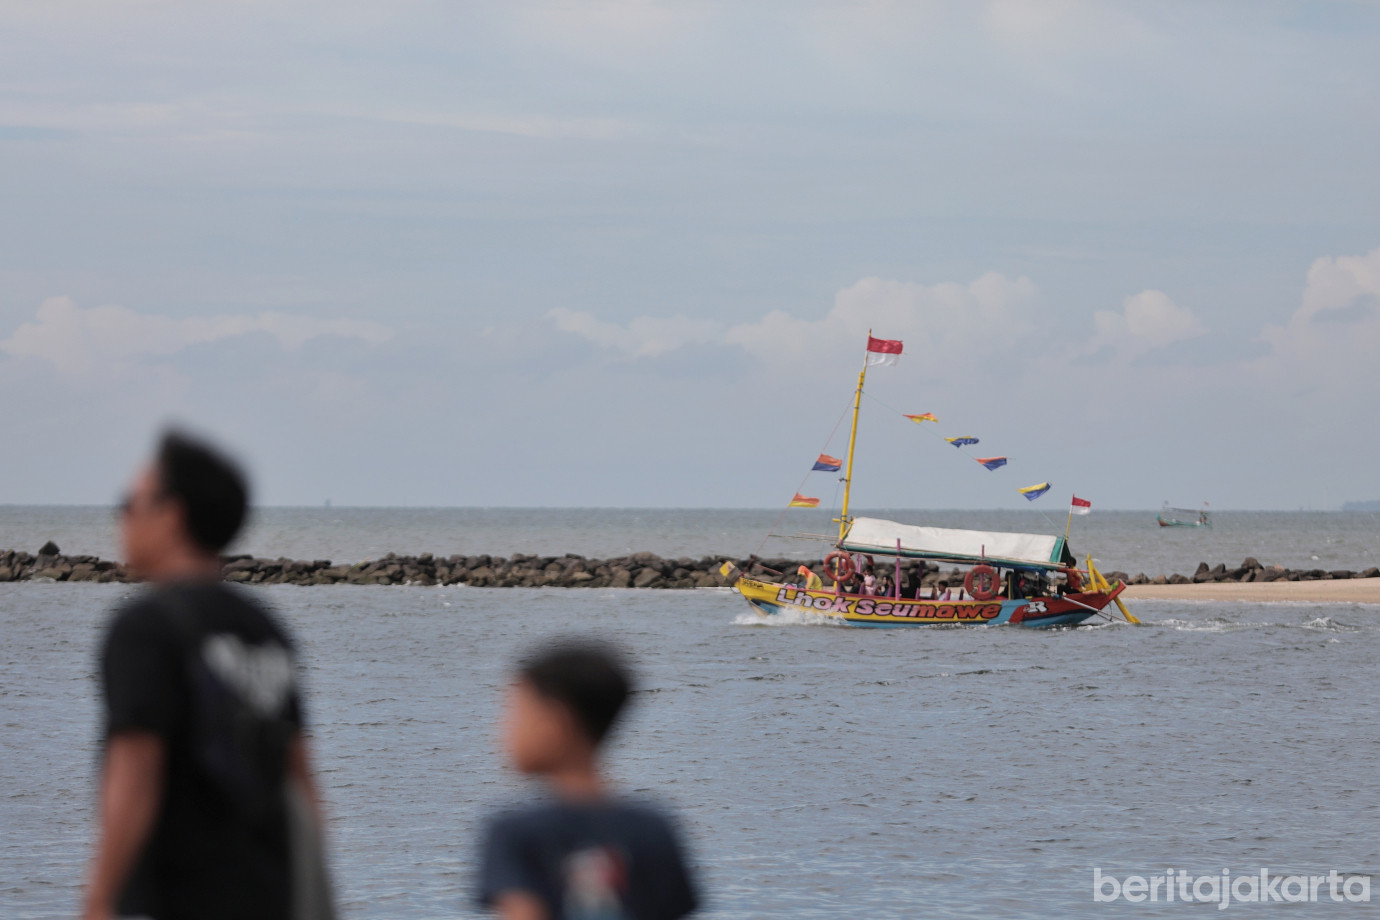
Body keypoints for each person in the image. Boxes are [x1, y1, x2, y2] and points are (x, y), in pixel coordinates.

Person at [84, 431, 332, 920]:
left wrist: (99, 901)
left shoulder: (145, 627)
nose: (122, 518)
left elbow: (135, 769)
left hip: (181, 895)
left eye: (129, 503)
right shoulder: (262, 626)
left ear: (171, 514)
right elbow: (301, 780)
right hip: (270, 893)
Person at [477, 641, 699, 920]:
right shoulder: (653, 826)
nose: (500, 728)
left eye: (513, 713)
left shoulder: (515, 832)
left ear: (553, 724)